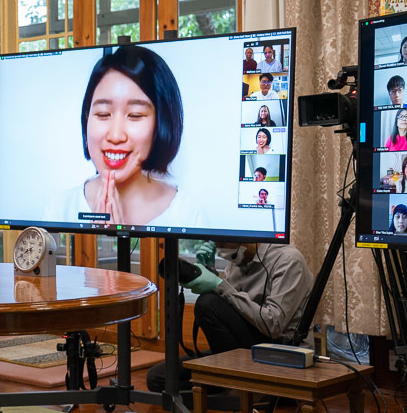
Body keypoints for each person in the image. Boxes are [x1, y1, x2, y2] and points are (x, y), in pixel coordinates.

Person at [45, 45, 200, 227]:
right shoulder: (59, 209)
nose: (116, 136)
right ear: (86, 119)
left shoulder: (188, 213)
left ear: (161, 123)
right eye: (103, 114)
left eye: (135, 115)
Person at [147, 240, 313, 393]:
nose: (218, 245)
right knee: (158, 379)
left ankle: (237, 387)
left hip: (280, 352)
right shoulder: (236, 262)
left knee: (207, 304)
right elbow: (231, 311)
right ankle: (233, 386)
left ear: (247, 238)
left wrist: (220, 285)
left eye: (223, 240)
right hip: (243, 349)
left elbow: (274, 325)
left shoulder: (289, 261)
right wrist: (210, 273)